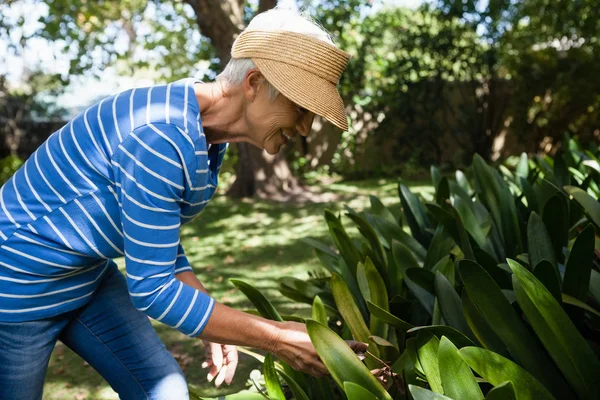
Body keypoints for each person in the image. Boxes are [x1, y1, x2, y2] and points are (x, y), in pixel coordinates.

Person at [0, 8, 364, 400]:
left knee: (166, 392)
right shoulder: (160, 135)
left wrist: (208, 317)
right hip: (18, 289)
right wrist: (275, 338)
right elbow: (153, 288)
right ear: (254, 83)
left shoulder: (205, 137)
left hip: (85, 278)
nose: (306, 127)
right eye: (300, 108)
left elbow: (156, 239)